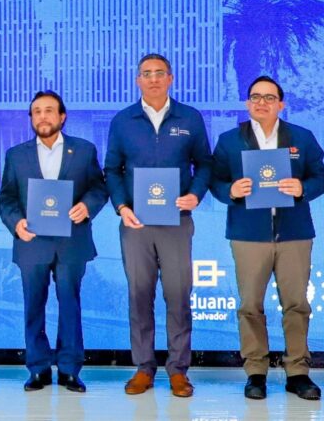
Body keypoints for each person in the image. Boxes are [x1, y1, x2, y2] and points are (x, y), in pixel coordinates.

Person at [210, 75, 324, 401]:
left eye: (269, 97)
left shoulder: (301, 138)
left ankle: (298, 372)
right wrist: (230, 190)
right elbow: (215, 182)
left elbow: (321, 177)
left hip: (294, 233)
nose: (261, 103)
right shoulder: (229, 141)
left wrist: (303, 187)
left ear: (281, 104)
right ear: (247, 103)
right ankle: (256, 372)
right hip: (248, 234)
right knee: (250, 305)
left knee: (297, 305)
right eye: (255, 97)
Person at [104, 53, 212, 398]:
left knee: (178, 295)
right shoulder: (123, 121)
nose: (153, 79)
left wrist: (195, 195)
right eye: (146, 74)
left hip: (176, 221)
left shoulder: (190, 118)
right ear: (138, 80)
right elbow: (112, 170)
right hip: (135, 223)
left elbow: (205, 164)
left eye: (159, 73)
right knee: (139, 296)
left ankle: (178, 370)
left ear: (170, 78)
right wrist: (121, 206)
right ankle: (143, 368)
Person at [0, 90, 108, 393]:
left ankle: (70, 369)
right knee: (33, 307)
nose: (42, 116)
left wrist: (87, 206)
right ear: (31, 118)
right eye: (36, 111)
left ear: (62, 116)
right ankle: (38, 368)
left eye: (48, 110)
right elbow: (6, 198)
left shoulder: (83, 150)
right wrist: (16, 222)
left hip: (72, 242)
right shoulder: (16, 155)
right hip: (31, 241)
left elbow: (99, 188)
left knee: (70, 305)